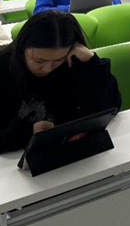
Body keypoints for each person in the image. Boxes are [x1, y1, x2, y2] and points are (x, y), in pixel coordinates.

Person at [0, 11, 122, 153]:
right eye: (39, 61)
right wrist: (27, 132)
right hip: (15, 157)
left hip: (71, 150)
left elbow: (111, 107)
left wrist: (92, 62)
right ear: (21, 47)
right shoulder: (3, 68)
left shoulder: (72, 62)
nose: (48, 68)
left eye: (58, 60)